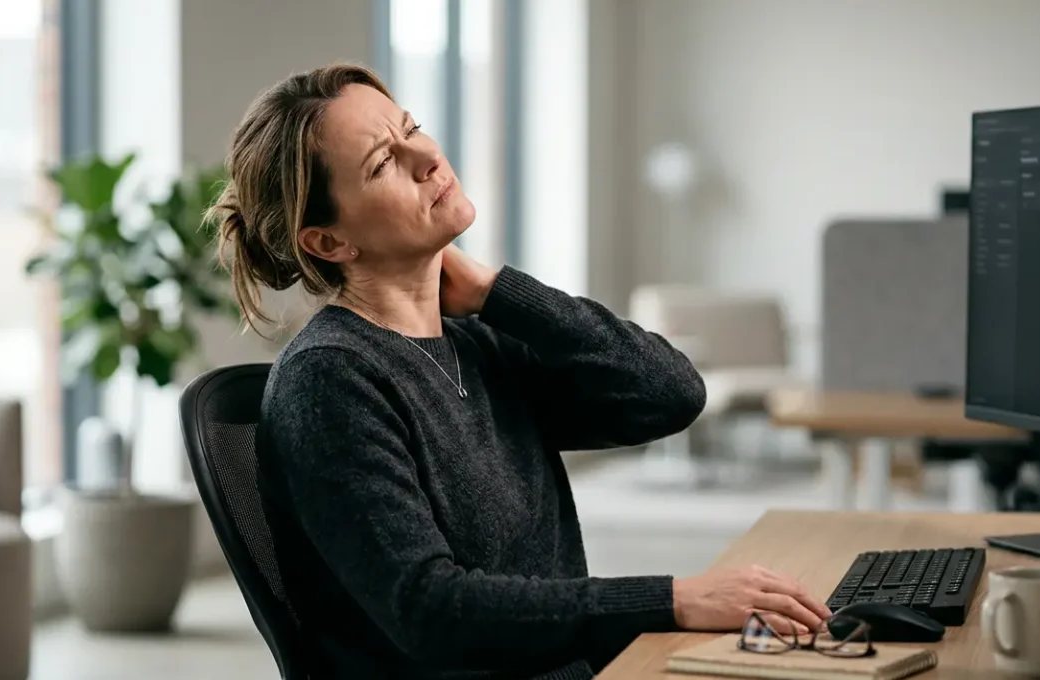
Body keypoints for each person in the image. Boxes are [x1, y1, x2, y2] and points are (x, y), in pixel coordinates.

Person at [208, 62, 830, 680]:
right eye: (382, 163)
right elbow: (431, 611)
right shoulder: (329, 381)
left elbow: (672, 394)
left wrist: (497, 293)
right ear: (329, 242)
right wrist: (674, 600)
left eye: (411, 129)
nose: (426, 157)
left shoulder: (477, 344)